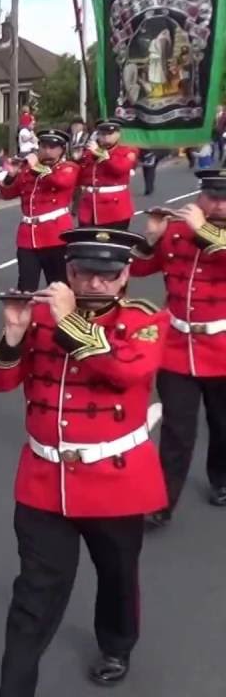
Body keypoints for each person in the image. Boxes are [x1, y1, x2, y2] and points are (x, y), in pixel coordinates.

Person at [0, 227, 167, 694]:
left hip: (115, 479)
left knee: (118, 575)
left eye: (108, 275)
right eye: (85, 272)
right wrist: (14, 333)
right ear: (68, 272)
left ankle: (117, 643)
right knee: (34, 594)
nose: (95, 284)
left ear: (125, 275)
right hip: (45, 479)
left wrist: (67, 322)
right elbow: (0, 382)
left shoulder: (143, 319)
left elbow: (127, 371)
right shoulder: (41, 317)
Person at [131, 172, 226, 526]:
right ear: (201, 196)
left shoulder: (203, 229)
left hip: (223, 348)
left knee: (223, 425)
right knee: (176, 430)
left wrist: (203, 229)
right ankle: (161, 502)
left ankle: (221, 478)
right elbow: (137, 270)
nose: (217, 203)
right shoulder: (177, 230)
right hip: (177, 347)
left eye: (223, 198)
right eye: (211, 195)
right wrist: (151, 239)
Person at [0, 129, 79, 292]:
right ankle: (26, 318)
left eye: (52, 147)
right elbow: (7, 193)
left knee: (58, 286)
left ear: (62, 149)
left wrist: (34, 165)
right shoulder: (28, 170)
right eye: (43, 146)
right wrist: (12, 175)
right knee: (26, 287)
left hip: (56, 235)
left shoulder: (68, 167)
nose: (47, 151)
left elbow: (60, 182)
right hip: (28, 237)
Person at [77, 120, 140, 229]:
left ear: (118, 134)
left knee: (113, 242)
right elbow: (81, 175)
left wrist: (99, 153)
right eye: (102, 134)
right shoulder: (89, 152)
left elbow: (121, 168)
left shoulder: (127, 150)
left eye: (109, 134)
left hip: (114, 208)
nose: (105, 137)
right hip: (89, 206)